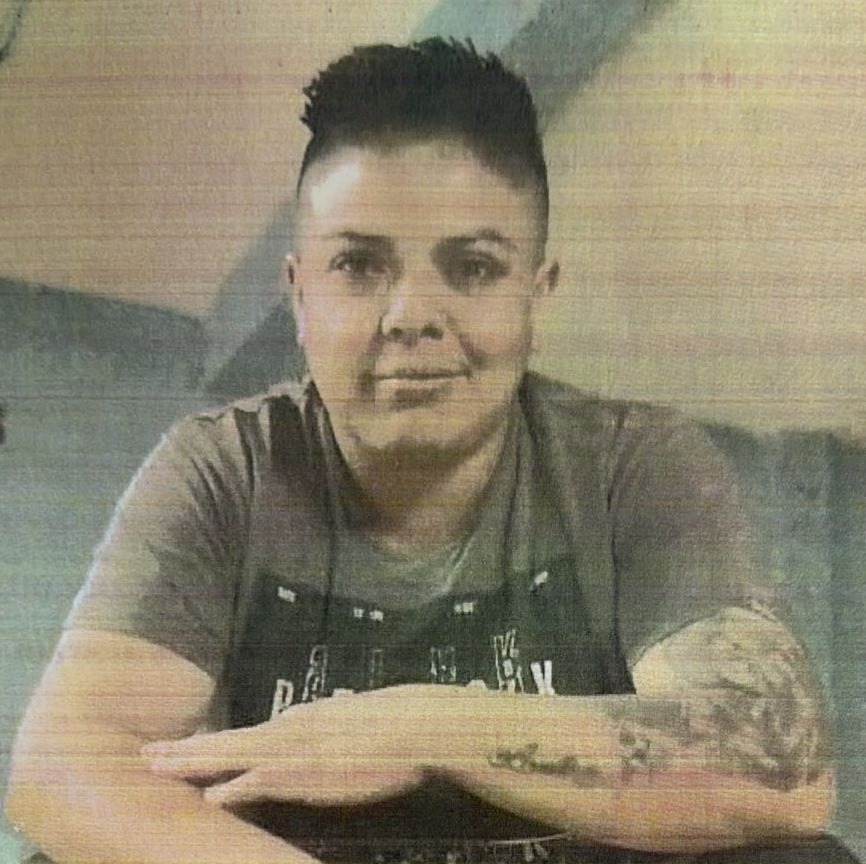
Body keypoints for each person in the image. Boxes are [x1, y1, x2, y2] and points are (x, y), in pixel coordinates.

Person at [5, 38, 855, 864]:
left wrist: (416, 727)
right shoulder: (224, 469)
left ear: (535, 295)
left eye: (474, 268)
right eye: (357, 265)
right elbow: (60, 769)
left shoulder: (634, 465)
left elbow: (780, 769)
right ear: (299, 297)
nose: (411, 315)